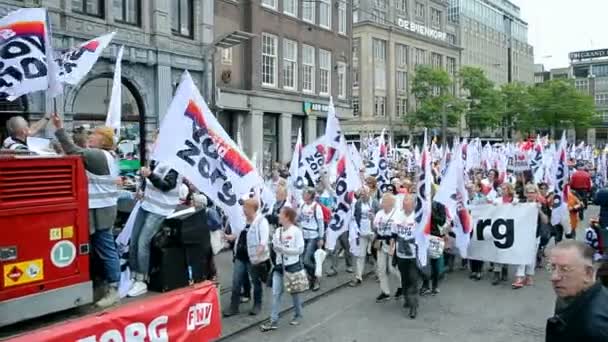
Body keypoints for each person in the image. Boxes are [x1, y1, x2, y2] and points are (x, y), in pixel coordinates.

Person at [51, 113, 121, 308]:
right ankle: (104, 283)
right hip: (101, 209)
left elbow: (73, 150)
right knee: (101, 247)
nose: (91, 135)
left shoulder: (98, 155)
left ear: (103, 140)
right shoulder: (105, 155)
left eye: (95, 134)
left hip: (101, 211)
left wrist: (58, 128)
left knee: (106, 248)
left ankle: (114, 288)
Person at [127, 159, 183, 297]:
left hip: (160, 209)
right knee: (134, 241)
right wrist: (142, 190)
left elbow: (167, 186)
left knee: (142, 243)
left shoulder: (175, 165)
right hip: (147, 204)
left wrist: (150, 175)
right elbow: (150, 180)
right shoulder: (156, 160)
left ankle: (142, 280)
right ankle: (134, 275)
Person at [546, 240, 608, 341]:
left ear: (588, 273)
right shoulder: (569, 295)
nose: (554, 277)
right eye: (552, 267)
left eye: (565, 269)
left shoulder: (595, 327)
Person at [261, 207, 305, 332]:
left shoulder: (296, 231)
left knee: (294, 293)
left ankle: (298, 314)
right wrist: (276, 248)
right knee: (276, 294)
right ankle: (273, 320)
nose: (278, 216)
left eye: (281, 214)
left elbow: (300, 249)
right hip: (279, 267)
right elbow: (275, 247)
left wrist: (285, 250)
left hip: (292, 266)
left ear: (287, 217)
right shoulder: (278, 231)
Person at [224, 198, 270, 317]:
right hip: (240, 256)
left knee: (256, 281)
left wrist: (260, 250)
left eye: (245, 208)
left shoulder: (261, 222)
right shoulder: (243, 221)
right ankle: (233, 307)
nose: (243, 210)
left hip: (253, 258)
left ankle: (257, 305)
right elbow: (238, 234)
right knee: (236, 281)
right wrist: (229, 237)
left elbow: (264, 240)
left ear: (252, 209)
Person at [512, 184, 549, 289]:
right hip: (521, 233)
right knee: (521, 254)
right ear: (525, 193)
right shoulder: (521, 203)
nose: (530, 194)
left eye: (533, 192)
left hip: (534, 234)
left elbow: (546, 220)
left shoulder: (540, 204)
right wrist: (514, 206)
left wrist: (540, 211)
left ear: (536, 193)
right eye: (528, 192)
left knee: (531, 256)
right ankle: (519, 277)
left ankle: (529, 275)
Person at [390, 194, 419, 319]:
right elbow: (393, 234)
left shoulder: (418, 217)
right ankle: (407, 299)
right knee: (405, 279)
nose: (405, 203)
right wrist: (392, 248)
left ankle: (414, 307)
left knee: (413, 279)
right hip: (401, 254)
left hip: (414, 255)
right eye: (404, 201)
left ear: (413, 204)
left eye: (407, 201)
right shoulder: (398, 216)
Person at [373, 193, 401, 303]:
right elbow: (375, 227)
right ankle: (385, 292)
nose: (381, 203)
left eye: (384, 201)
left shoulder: (397, 213)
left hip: (392, 242)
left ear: (390, 203)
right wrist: (373, 222)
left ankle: (402, 286)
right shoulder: (379, 213)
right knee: (381, 268)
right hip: (381, 242)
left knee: (392, 268)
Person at [350, 187, 379, 287]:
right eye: (361, 194)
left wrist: (374, 217)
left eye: (364, 194)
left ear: (369, 193)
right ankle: (358, 277)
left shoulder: (375, 202)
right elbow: (355, 216)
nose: (363, 196)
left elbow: (380, 217)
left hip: (373, 232)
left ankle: (379, 273)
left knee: (376, 254)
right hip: (362, 232)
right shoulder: (358, 203)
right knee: (360, 255)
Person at [297, 188, 325, 291]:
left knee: (306, 260)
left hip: (313, 236)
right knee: (303, 260)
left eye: (305, 193)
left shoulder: (316, 207)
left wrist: (321, 237)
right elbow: (298, 218)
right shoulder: (303, 205)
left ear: (310, 195)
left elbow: (321, 223)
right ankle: (313, 277)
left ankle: (316, 277)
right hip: (303, 235)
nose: (303, 194)